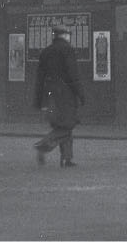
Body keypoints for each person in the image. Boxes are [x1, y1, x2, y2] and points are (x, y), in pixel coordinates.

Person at [33, 27, 85, 168]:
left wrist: (39, 100)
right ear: (65, 36)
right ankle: (43, 145)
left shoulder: (46, 51)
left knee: (62, 124)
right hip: (65, 94)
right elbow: (73, 74)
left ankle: (66, 159)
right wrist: (81, 94)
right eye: (68, 35)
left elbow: (40, 78)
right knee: (66, 125)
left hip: (50, 94)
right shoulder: (67, 50)